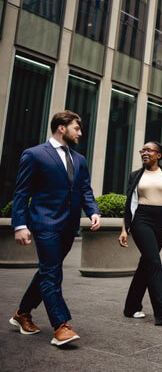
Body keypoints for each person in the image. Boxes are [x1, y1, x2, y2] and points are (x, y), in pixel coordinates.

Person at [9, 111, 101, 346]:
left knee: (48, 271)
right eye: (76, 128)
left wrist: (93, 211)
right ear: (62, 127)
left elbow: (85, 189)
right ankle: (61, 326)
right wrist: (20, 224)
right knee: (52, 273)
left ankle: (22, 313)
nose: (80, 133)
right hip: (45, 222)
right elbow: (22, 192)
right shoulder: (35, 155)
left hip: (69, 225)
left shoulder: (79, 159)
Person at [118, 141, 162, 326]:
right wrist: (124, 229)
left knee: (146, 263)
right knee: (154, 261)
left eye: (149, 150)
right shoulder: (136, 175)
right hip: (141, 219)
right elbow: (129, 204)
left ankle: (131, 307)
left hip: (161, 220)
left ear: (159, 155)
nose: (144, 153)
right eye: (142, 150)